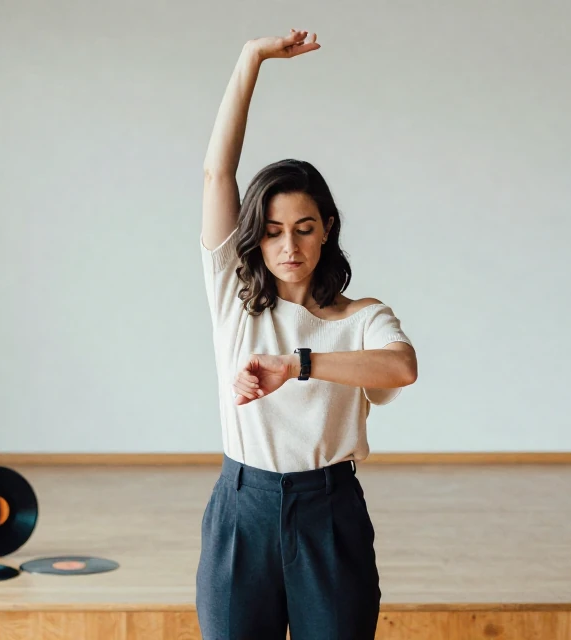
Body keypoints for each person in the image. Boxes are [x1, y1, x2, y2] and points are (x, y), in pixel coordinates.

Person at [195, 29, 418, 640]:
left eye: (304, 227)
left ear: (327, 230)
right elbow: (218, 173)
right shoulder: (234, 299)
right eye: (271, 231)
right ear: (255, 237)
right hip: (242, 508)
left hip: (330, 511)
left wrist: (297, 365)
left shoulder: (363, 317)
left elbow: (401, 368)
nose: (288, 245)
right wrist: (251, 58)